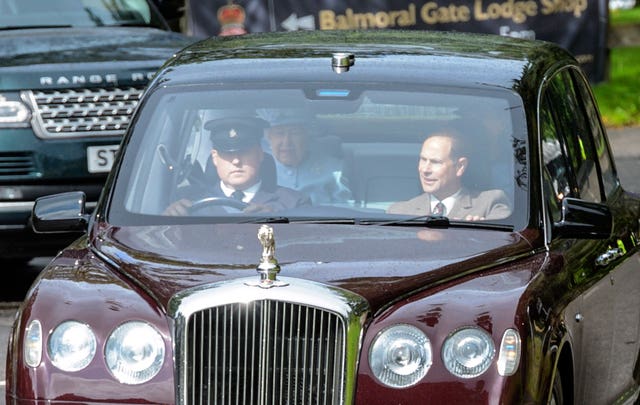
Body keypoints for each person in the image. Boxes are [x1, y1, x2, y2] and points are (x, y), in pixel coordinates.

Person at [164, 117, 310, 216]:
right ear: (215, 157)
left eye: (244, 152)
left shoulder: (293, 203)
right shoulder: (185, 202)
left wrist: (278, 223)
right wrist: (168, 221)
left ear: (260, 154)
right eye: (227, 154)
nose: (236, 161)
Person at [386, 129, 512, 220]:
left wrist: (480, 233)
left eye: (435, 162)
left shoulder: (491, 204)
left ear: (460, 166)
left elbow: (505, 249)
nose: (425, 169)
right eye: (423, 159)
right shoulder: (399, 212)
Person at [258, 109, 352, 204]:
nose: (286, 142)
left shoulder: (334, 169)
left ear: (307, 137)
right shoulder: (257, 168)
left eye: (295, 133)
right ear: (269, 138)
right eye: (279, 133)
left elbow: (343, 209)